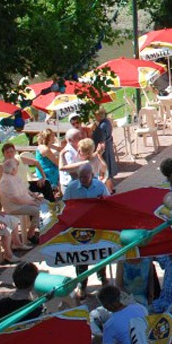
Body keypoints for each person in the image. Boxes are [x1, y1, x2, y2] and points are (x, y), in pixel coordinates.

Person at [64, 163, 109, 301]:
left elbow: (108, 202)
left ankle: (103, 279)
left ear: (92, 175)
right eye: (81, 177)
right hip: (80, 227)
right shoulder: (72, 188)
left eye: (85, 177)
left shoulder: (100, 186)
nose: (83, 179)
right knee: (81, 256)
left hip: (97, 225)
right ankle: (82, 284)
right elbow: (65, 204)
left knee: (100, 253)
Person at [0, 158, 42, 237]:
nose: (17, 168)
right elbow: (16, 199)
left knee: (47, 204)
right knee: (38, 211)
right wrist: (32, 202)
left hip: (24, 202)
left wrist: (33, 195)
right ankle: (31, 234)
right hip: (14, 207)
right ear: (13, 169)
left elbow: (24, 189)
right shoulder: (7, 181)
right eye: (17, 166)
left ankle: (46, 229)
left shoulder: (13, 177)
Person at [92, 107, 117, 193]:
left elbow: (101, 140)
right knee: (108, 169)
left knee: (105, 170)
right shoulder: (107, 122)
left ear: (98, 116)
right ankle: (111, 188)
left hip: (104, 150)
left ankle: (109, 190)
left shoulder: (102, 126)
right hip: (108, 147)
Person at [35, 128, 62, 193]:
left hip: (46, 168)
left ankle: (58, 190)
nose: (54, 137)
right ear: (48, 138)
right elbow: (57, 162)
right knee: (62, 170)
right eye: (53, 136)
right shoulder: (45, 149)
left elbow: (59, 149)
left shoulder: (47, 145)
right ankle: (56, 190)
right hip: (45, 171)